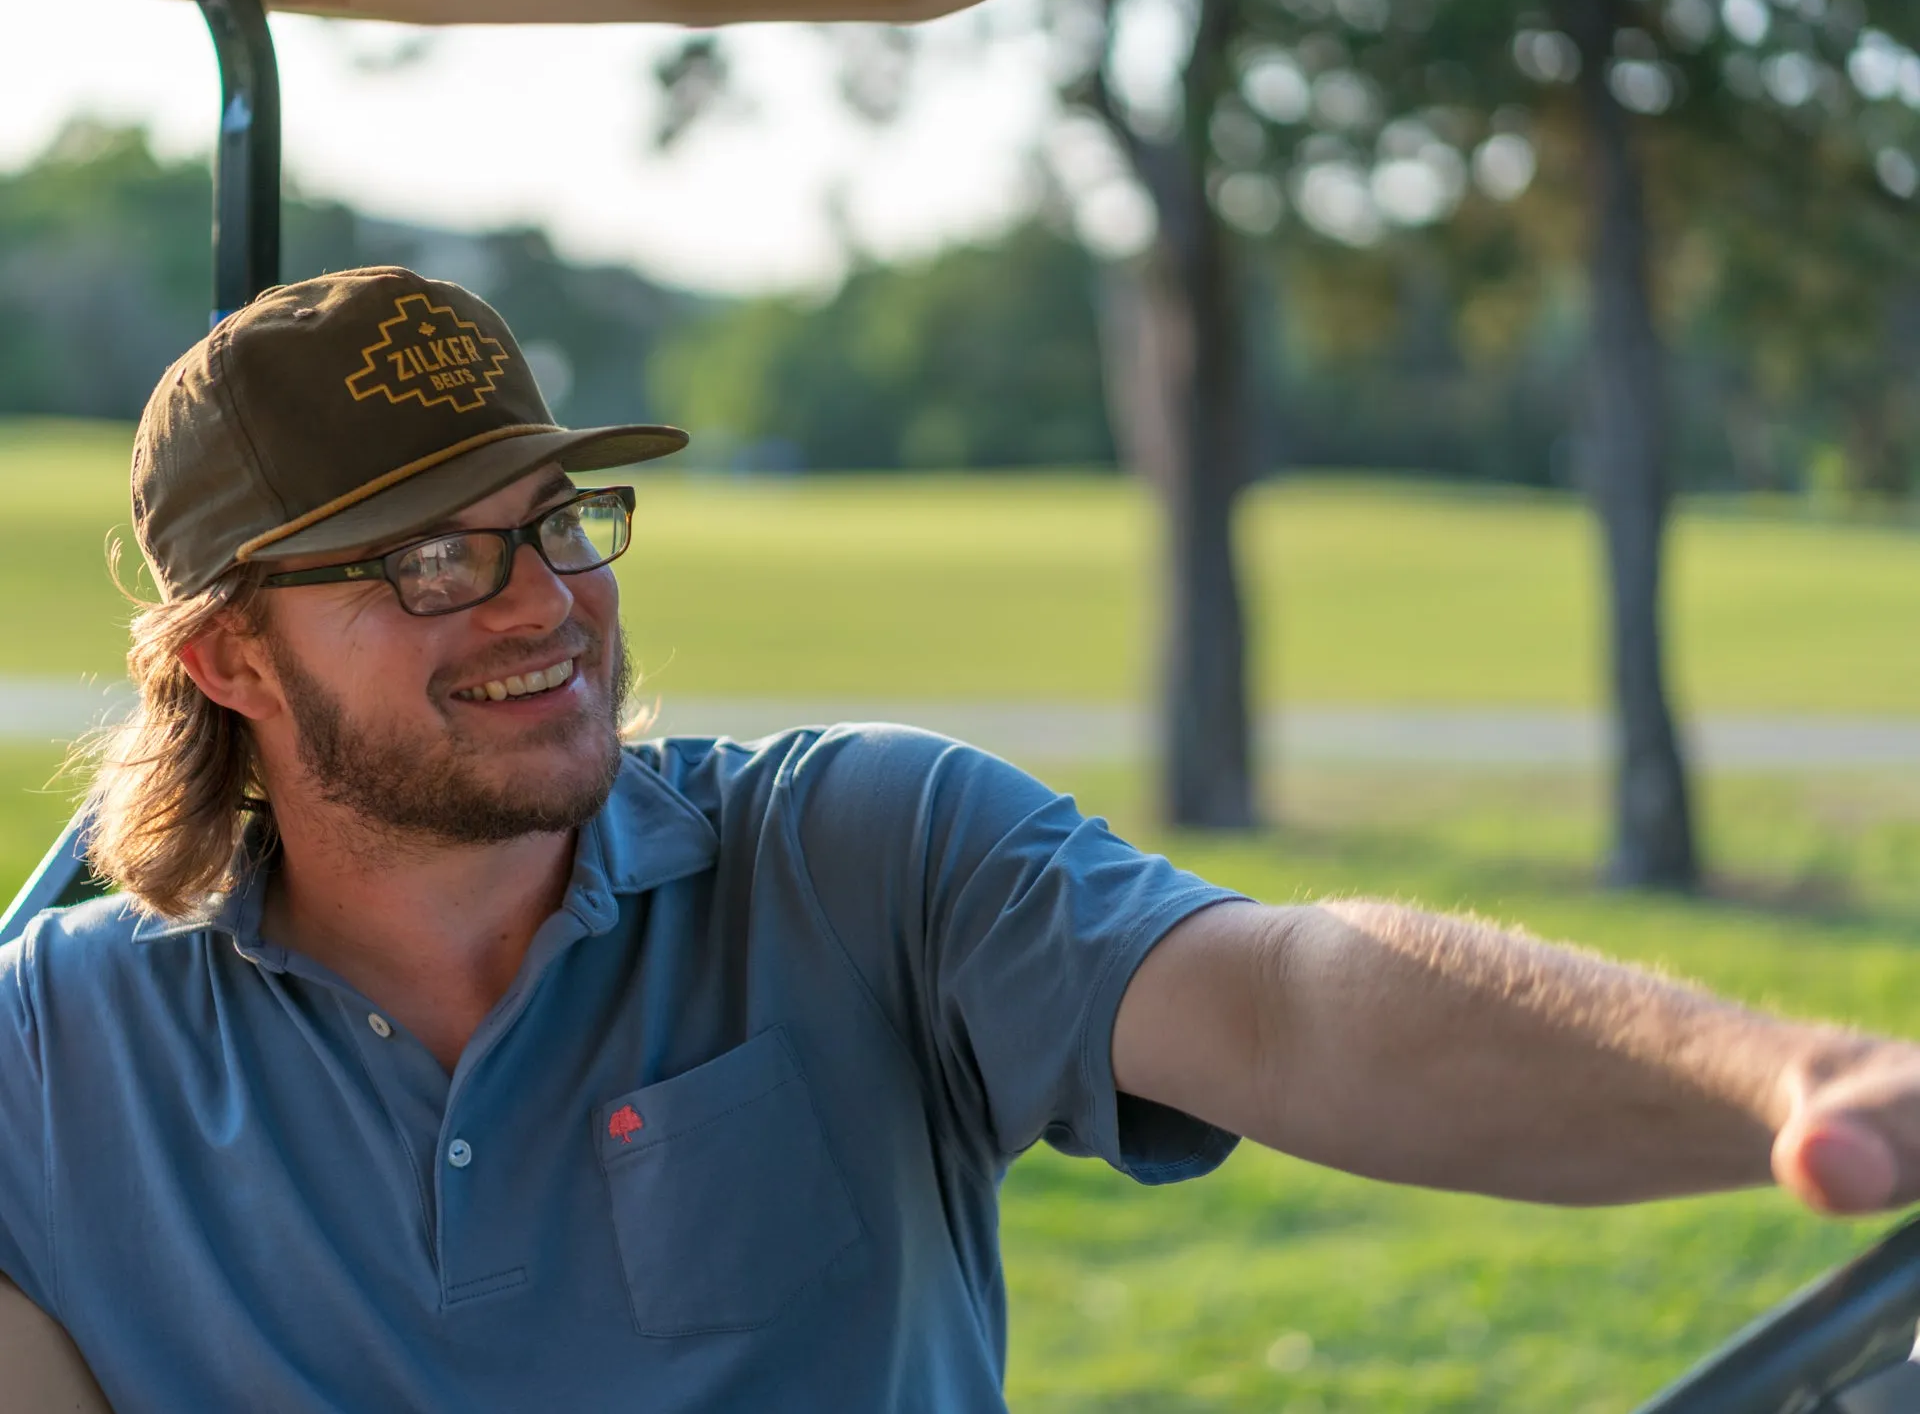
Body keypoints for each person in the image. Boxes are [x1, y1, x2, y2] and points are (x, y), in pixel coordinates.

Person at [0, 265, 1913, 1414]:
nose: (539, 607)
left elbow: (1286, 1003)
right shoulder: (50, 1052)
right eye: (432, 560)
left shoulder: (862, 853)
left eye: (560, 521)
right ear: (230, 655)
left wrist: (1788, 1079)